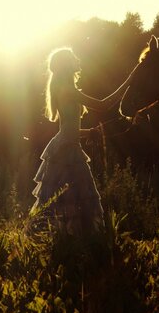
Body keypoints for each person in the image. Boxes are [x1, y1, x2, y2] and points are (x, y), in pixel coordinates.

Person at [31, 47, 134, 237]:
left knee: (65, 197)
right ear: (66, 65)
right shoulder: (68, 90)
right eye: (72, 58)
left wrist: (87, 133)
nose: (76, 60)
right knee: (74, 197)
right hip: (66, 150)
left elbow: (68, 128)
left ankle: (67, 239)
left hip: (65, 146)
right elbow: (103, 105)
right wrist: (130, 82)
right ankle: (71, 239)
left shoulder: (65, 89)